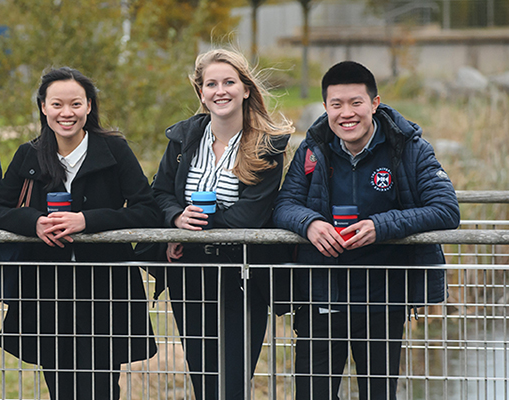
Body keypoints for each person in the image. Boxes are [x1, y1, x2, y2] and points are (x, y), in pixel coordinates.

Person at [274, 61, 460, 399]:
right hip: (321, 299)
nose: (347, 113)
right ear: (326, 107)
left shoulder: (409, 147)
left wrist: (381, 225)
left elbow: (446, 209)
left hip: (382, 300)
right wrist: (310, 223)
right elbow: (284, 205)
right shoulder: (312, 148)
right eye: (336, 104)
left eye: (356, 103)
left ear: (374, 104)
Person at [0, 67, 161, 400]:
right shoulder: (29, 154)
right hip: (48, 291)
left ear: (89, 106)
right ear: (43, 108)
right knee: (61, 387)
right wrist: (33, 223)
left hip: (106, 290)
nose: (67, 113)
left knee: (103, 388)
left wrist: (87, 221)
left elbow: (146, 209)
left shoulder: (115, 150)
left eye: (76, 104)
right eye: (57, 104)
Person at [150, 48, 292, 400]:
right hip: (190, 276)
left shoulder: (267, 145)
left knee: (231, 383)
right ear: (201, 92)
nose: (220, 91)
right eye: (211, 84)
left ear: (245, 89)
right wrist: (176, 218)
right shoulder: (184, 138)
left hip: (240, 276)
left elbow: (251, 215)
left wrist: (198, 225)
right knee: (203, 380)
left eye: (229, 82)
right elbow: (160, 192)